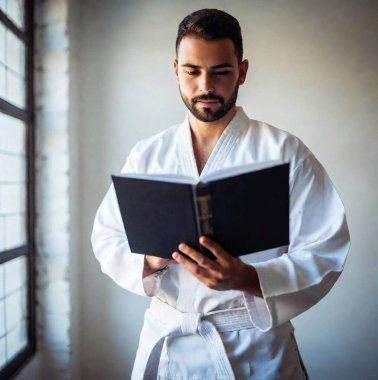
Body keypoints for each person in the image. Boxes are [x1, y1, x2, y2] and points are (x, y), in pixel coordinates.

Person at [91, 8, 350, 380]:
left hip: (255, 351)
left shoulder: (284, 152)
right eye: (192, 71)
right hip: (169, 343)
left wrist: (246, 277)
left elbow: (327, 248)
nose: (205, 86)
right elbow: (106, 237)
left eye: (220, 72)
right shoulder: (147, 155)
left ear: (242, 71)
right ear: (175, 69)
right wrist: (149, 263)